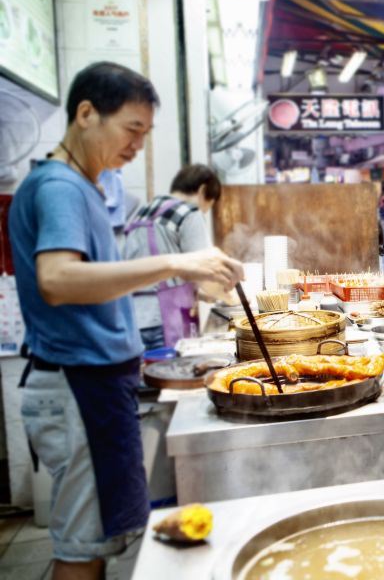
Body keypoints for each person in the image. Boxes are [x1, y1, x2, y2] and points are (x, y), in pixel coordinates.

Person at [9, 62, 243, 580]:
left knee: (92, 537)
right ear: (86, 113)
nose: (137, 145)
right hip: (77, 384)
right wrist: (176, 263)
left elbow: (91, 279)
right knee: (80, 547)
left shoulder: (87, 188)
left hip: (93, 383)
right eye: (131, 129)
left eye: (146, 134)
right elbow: (58, 280)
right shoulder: (61, 188)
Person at [123, 164, 226, 350]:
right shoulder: (189, 213)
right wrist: (227, 296)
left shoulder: (143, 212)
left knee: (147, 376)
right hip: (165, 321)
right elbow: (206, 269)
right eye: (207, 207)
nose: (203, 213)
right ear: (202, 191)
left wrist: (200, 293)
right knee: (172, 376)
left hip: (132, 319)